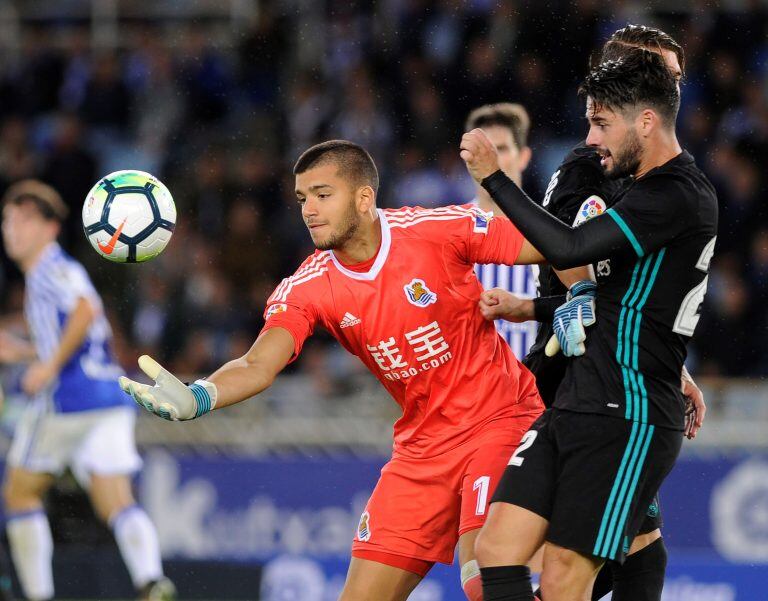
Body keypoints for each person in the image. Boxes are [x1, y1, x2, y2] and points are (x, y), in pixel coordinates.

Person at [119, 140, 568, 601]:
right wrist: (201, 396)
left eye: (322, 194)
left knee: (484, 580)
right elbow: (258, 363)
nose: (309, 210)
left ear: (364, 198)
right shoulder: (310, 287)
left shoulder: (437, 229)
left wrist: (578, 298)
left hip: (500, 420)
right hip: (422, 451)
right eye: (301, 199)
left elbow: (554, 245)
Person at [461, 48, 717, 601]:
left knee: (565, 580)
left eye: (601, 124)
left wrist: (496, 181)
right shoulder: (632, 186)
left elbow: (569, 247)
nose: (591, 138)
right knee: (496, 551)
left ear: (644, 121)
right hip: (579, 395)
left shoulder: (678, 194)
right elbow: (602, 295)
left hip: (627, 411)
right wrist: (533, 309)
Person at [0, 180, 175, 601]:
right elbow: (78, 330)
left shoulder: (49, 269)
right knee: (115, 500)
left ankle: (39, 595)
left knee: (19, 493)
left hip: (68, 401)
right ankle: (151, 581)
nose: (11, 230)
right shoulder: (53, 272)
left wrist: (47, 367)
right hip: (109, 397)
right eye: (6, 221)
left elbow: (85, 311)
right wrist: (26, 352)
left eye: (22, 221)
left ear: (49, 228)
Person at [466, 103, 539, 360]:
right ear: (467, 159)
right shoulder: (445, 232)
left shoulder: (551, 233)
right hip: (470, 396)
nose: (491, 158)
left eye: (503, 148)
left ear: (524, 157)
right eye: (483, 150)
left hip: (537, 392)